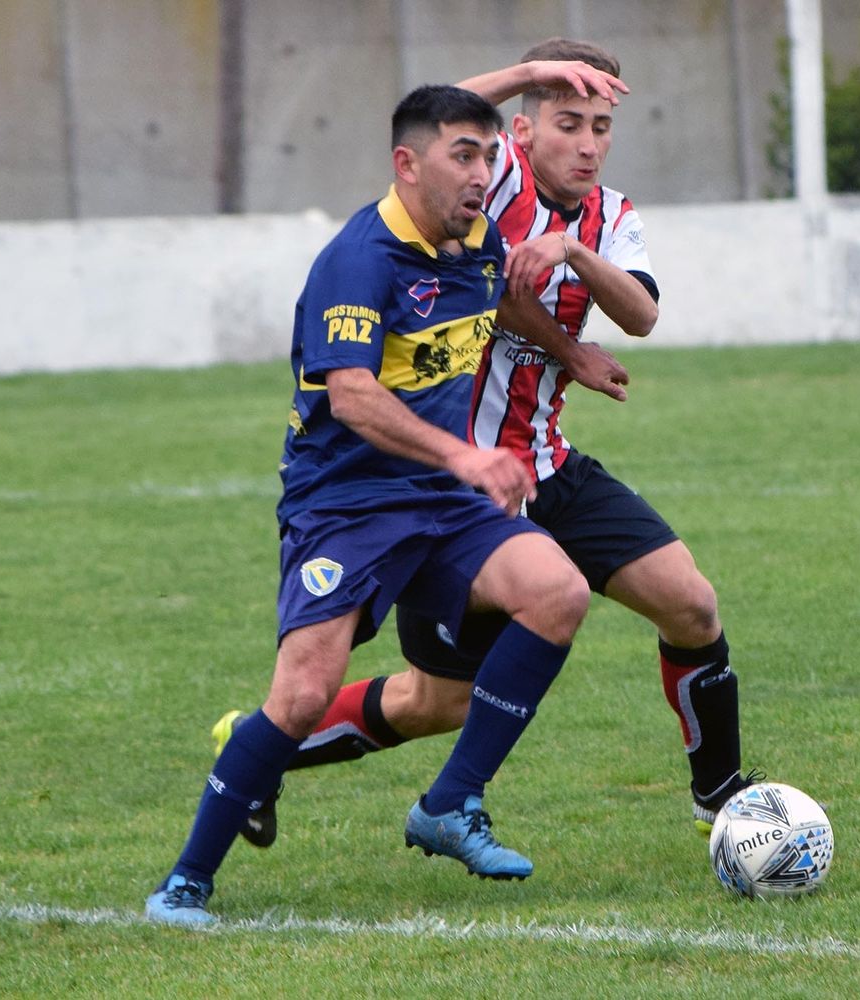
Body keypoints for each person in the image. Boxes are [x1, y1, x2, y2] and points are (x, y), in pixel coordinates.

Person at [215, 39, 758, 851]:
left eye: (601, 126)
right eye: (566, 121)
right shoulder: (483, 179)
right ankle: (258, 750)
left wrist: (574, 253)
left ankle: (722, 797)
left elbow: (641, 313)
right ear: (524, 131)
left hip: (545, 459)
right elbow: (438, 121)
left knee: (692, 604)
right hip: (458, 481)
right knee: (436, 702)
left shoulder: (612, 215)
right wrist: (525, 76)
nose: (586, 142)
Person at [145, 84, 596, 925]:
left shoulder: (479, 244)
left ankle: (450, 804)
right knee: (303, 695)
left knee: (559, 592)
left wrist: (574, 351)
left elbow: (503, 298)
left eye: (489, 157)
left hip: (444, 503)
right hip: (345, 505)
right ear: (407, 163)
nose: (481, 174)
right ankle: (187, 881)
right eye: (463, 155)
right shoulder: (358, 261)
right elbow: (351, 395)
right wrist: (466, 452)